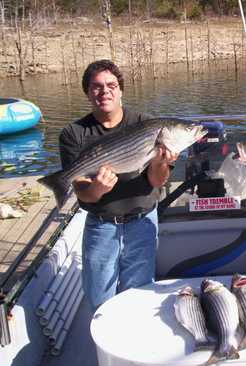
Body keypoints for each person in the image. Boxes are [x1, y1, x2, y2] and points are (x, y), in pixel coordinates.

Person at [58, 59, 177, 310]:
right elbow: (83, 190)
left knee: (139, 295)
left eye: (111, 85)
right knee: (100, 300)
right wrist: (96, 189)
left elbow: (157, 181)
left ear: (121, 89)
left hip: (142, 223)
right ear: (88, 92)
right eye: (97, 86)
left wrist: (160, 163)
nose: (105, 91)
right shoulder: (73, 133)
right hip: (101, 227)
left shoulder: (146, 123)